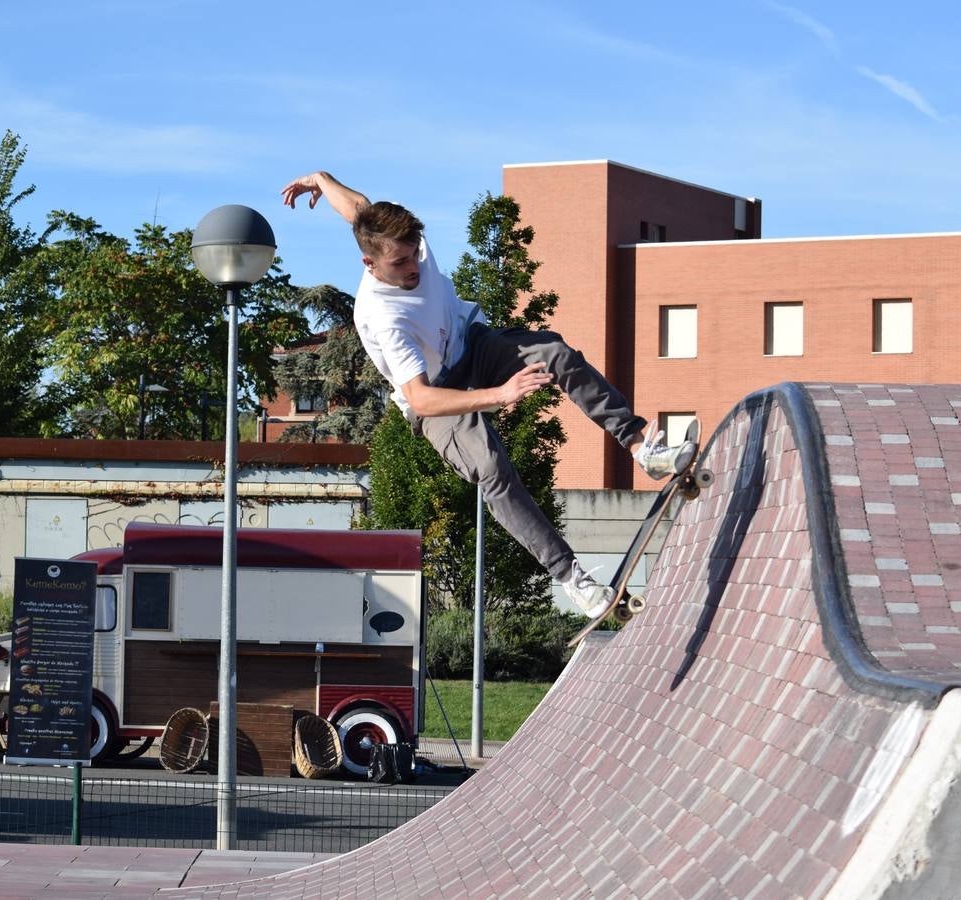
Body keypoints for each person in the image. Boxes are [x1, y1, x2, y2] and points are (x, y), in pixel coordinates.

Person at [280, 171, 694, 618]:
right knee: (492, 468)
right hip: (437, 397)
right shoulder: (383, 316)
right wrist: (499, 394)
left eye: (415, 253)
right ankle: (573, 579)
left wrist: (320, 180)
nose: (414, 267)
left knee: (553, 352)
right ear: (370, 264)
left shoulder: (388, 232)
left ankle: (639, 446)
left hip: (471, 346)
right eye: (400, 264)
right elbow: (420, 398)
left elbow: (357, 207)